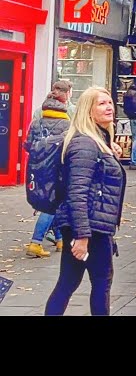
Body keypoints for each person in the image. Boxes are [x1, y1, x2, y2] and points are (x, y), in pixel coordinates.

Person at [44, 87, 125, 316]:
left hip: (92, 224)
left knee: (69, 282)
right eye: (101, 104)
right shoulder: (84, 145)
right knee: (100, 283)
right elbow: (76, 192)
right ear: (87, 111)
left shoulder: (97, 141)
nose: (109, 107)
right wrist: (82, 236)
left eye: (110, 102)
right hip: (89, 226)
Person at [25, 88, 72, 258]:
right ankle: (36, 242)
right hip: (57, 168)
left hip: (36, 168)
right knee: (52, 205)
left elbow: (27, 145)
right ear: (63, 105)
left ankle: (60, 240)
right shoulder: (66, 124)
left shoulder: (37, 122)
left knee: (54, 202)